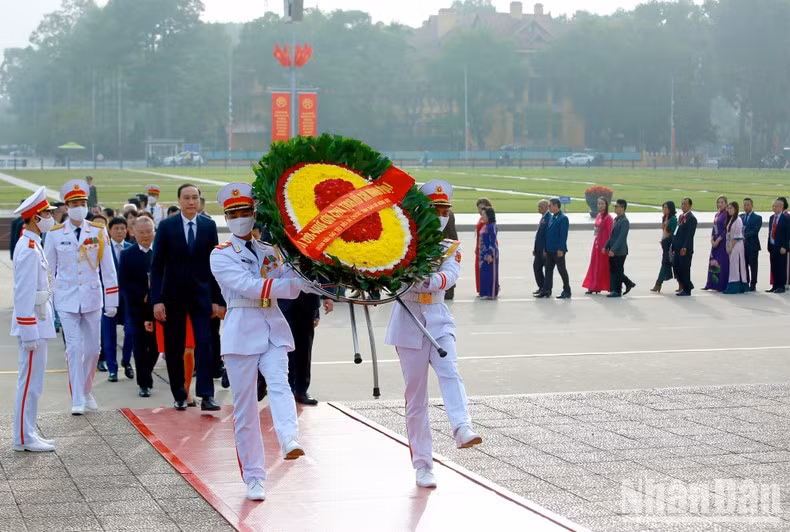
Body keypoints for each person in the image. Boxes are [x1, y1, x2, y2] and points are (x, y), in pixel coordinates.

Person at [209, 182, 321, 501]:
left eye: (246, 211)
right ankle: (255, 476)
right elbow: (249, 286)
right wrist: (290, 285)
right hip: (241, 330)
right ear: (227, 218)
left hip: (272, 326)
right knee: (245, 408)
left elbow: (296, 280)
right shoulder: (220, 255)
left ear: (255, 214)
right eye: (234, 213)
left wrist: (326, 276)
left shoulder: (270, 252)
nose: (241, 218)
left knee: (280, 382)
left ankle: (289, 439)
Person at [384, 180, 482, 489]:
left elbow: (449, 276)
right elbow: (395, 281)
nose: (440, 215)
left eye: (444, 210)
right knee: (416, 397)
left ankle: (461, 426)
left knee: (450, 369)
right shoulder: (401, 246)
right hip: (408, 319)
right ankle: (423, 465)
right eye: (435, 209)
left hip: (438, 317)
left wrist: (425, 279)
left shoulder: (450, 247)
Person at [44, 180, 118, 415]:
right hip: (66, 298)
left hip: (92, 297)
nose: (79, 206)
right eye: (75, 203)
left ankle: (86, 390)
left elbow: (108, 269)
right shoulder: (55, 234)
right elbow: (48, 270)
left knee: (94, 349)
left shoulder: (97, 231)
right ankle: (77, 397)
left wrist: (112, 300)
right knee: (74, 348)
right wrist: (48, 302)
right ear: (67, 206)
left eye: (83, 203)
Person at [150, 183, 225, 411]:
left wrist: (217, 299)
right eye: (187, 198)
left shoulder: (208, 226)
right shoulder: (166, 226)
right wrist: (157, 300)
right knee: (174, 348)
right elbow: (157, 266)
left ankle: (206, 395)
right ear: (179, 201)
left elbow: (214, 265)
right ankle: (180, 394)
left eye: (195, 198)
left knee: (205, 344)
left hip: (202, 297)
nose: (191, 202)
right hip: (173, 297)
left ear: (200, 201)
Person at [11, 187, 58, 452]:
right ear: (33, 218)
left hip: (39, 321)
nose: (51, 216)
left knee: (34, 382)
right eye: (46, 213)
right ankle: (22, 437)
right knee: (29, 382)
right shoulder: (29, 248)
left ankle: (27, 432)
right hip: (33, 325)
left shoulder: (33, 244)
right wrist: (28, 331)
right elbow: (24, 292)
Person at [119, 217, 159, 397]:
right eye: (141, 232)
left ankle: (146, 371)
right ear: (133, 232)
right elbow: (124, 284)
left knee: (157, 346)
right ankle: (144, 383)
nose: (145, 236)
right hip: (137, 309)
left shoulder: (160, 252)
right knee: (140, 346)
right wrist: (141, 295)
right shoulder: (127, 254)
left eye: (149, 231)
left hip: (159, 308)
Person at [103, 217, 134, 382]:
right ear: (109, 230)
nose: (120, 231)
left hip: (128, 298)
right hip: (108, 297)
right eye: (116, 228)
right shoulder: (103, 249)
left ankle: (126, 360)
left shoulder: (131, 248)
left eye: (123, 228)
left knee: (130, 331)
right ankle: (112, 369)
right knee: (109, 336)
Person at [537, 198, 571, 299]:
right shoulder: (552, 217)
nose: (549, 208)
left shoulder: (563, 218)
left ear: (556, 206)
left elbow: (563, 236)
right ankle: (546, 290)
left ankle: (567, 290)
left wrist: (561, 249)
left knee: (562, 270)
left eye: (550, 206)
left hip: (558, 250)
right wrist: (545, 248)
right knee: (548, 270)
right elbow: (548, 234)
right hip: (550, 249)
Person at [582, 197, 613, 295]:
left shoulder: (608, 218)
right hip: (597, 245)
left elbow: (610, 234)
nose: (600, 205)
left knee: (604, 267)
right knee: (595, 266)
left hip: (604, 246)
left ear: (606, 205)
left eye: (602, 204)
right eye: (599, 204)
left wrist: (608, 246)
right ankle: (594, 286)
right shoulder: (599, 215)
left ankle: (609, 286)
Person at [605, 199, 634, 297]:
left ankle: (617, 291)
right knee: (614, 270)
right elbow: (612, 236)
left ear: (622, 208)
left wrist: (613, 249)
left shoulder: (625, 221)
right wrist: (606, 246)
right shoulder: (616, 219)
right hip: (613, 249)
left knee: (617, 271)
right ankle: (623, 285)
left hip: (620, 251)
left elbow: (621, 237)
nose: (615, 208)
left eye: (617, 206)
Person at [704, 196, 730, 292]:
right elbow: (714, 228)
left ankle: (721, 284)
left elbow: (726, 229)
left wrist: (718, 240)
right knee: (713, 262)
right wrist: (712, 239)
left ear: (726, 203)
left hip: (722, 242)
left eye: (722, 202)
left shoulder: (726, 214)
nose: (720, 204)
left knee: (721, 263)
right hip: (714, 242)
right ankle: (711, 283)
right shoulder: (717, 214)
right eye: (718, 202)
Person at [672, 197, 697, 296]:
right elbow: (676, 232)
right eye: (682, 203)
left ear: (690, 206)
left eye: (685, 204)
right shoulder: (681, 217)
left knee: (685, 269)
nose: (683, 206)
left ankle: (687, 289)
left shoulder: (692, 219)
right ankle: (687, 285)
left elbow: (689, 235)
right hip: (677, 247)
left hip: (684, 249)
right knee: (676, 267)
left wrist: (685, 247)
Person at [651, 201, 678, 293]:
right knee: (668, 264)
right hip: (665, 243)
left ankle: (658, 283)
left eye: (666, 208)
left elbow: (673, 233)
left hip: (670, 244)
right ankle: (680, 283)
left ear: (670, 208)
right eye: (663, 208)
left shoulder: (673, 219)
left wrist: (667, 241)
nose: (664, 209)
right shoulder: (665, 218)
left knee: (665, 263)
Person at [724, 202, 748, 294]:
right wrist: (727, 245)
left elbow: (737, 236)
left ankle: (735, 286)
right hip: (730, 244)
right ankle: (734, 285)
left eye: (731, 208)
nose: (729, 210)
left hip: (736, 245)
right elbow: (728, 234)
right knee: (733, 265)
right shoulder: (731, 220)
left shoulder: (738, 220)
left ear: (735, 209)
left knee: (736, 265)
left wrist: (731, 247)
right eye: (728, 208)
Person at [767, 198, 789, 293]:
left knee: (781, 267)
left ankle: (781, 286)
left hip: (781, 247)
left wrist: (785, 246)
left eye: (776, 206)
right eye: (773, 206)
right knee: (774, 266)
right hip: (773, 246)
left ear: (781, 207)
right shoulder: (772, 218)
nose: (774, 208)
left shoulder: (786, 219)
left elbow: (788, 234)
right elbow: (771, 231)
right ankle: (775, 285)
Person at [741, 198, 762, 292]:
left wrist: (744, 236)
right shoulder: (740, 217)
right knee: (744, 265)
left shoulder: (757, 218)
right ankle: (746, 281)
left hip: (752, 246)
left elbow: (755, 231)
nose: (746, 207)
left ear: (752, 206)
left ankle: (753, 284)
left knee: (753, 266)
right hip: (742, 246)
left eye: (748, 205)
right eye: (744, 205)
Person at [478, 207, 499, 299]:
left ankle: (491, 293)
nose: (482, 217)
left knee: (490, 273)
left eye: (484, 215)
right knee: (484, 273)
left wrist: (490, 253)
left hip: (489, 253)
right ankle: (485, 292)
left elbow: (493, 241)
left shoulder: (491, 226)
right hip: (483, 253)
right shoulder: (485, 225)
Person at [474, 198, 493, 294]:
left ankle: (488, 289)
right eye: (479, 208)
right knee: (479, 270)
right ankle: (481, 289)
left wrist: (490, 251)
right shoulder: (481, 218)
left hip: (485, 248)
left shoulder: (488, 219)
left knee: (486, 270)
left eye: (482, 208)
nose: (480, 210)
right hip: (479, 247)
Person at [532, 199, 550, 295]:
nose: (538, 209)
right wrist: (535, 248)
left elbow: (547, 236)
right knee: (537, 268)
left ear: (546, 207)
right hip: (538, 249)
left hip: (544, 250)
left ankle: (546, 289)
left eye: (540, 206)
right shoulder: (543, 217)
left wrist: (545, 249)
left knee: (546, 270)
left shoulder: (548, 218)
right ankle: (541, 287)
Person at [442, 210, 459, 300]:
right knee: (448, 268)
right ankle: (449, 291)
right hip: (448, 245)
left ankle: (448, 292)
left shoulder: (448, 214)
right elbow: (453, 233)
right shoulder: (450, 213)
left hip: (442, 245)